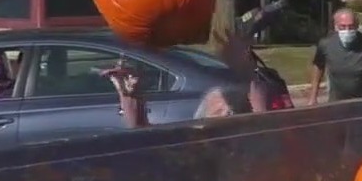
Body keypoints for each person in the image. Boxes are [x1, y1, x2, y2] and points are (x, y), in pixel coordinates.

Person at [105, 28, 267, 128]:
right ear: (200, 121)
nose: (227, 113)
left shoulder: (249, 150)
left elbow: (265, 126)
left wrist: (248, 73)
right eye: (218, 111)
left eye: (232, 112)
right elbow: (146, 137)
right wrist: (130, 98)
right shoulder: (195, 148)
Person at [308, 9, 362, 104]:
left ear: (357, 26)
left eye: (351, 26)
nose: (347, 30)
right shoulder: (326, 45)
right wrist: (313, 97)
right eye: (342, 26)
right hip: (336, 101)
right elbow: (318, 67)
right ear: (335, 26)